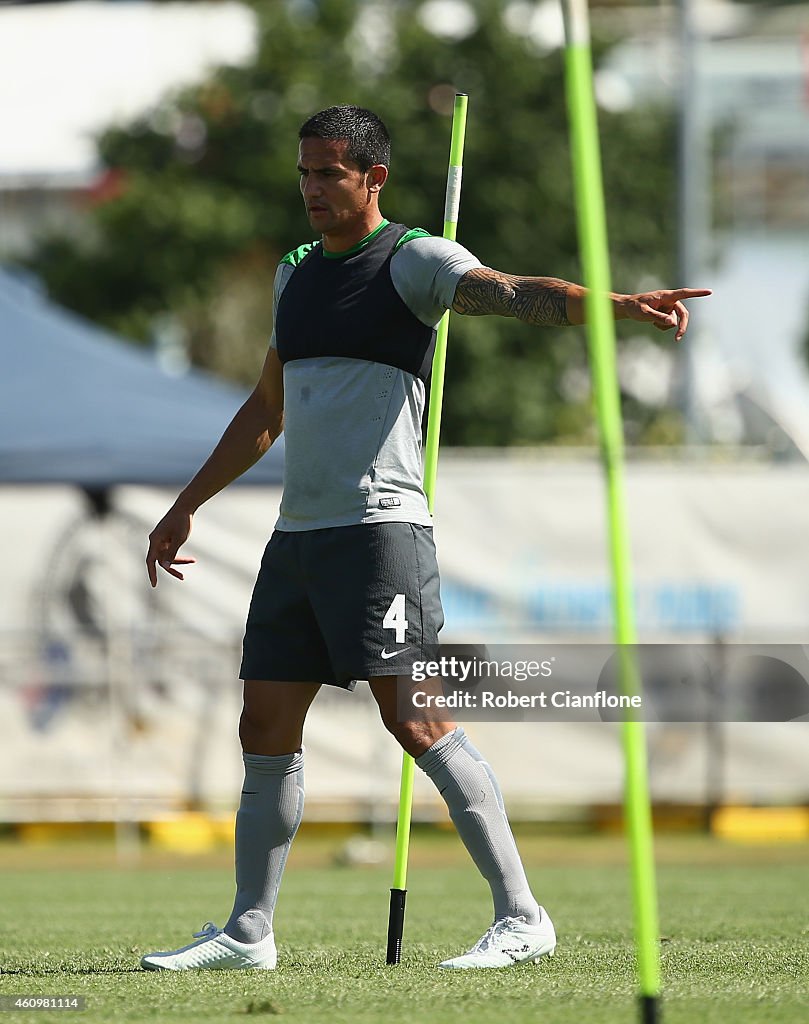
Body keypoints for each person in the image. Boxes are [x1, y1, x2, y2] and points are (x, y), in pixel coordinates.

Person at [141, 105, 710, 972]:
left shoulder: (416, 260)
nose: (311, 190)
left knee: (415, 718)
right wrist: (188, 504)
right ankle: (248, 933)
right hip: (297, 539)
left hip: (382, 534)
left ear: (373, 178)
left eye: (329, 173)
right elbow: (267, 409)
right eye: (304, 173)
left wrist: (622, 306)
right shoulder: (294, 274)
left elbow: (518, 293)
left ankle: (522, 917)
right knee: (264, 726)